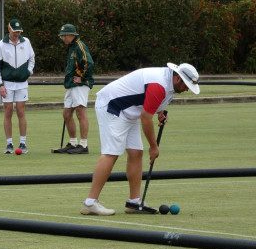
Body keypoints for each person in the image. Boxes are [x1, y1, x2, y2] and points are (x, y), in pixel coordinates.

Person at [80, 62, 200, 215]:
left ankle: (134, 202)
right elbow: (145, 118)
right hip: (113, 106)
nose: (187, 89)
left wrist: (160, 111)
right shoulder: (159, 84)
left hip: (129, 111)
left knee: (136, 152)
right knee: (112, 153)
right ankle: (90, 203)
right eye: (187, 85)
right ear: (177, 78)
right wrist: (154, 146)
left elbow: (151, 103)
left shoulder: (171, 84)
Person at [0, 18, 35, 154]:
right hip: (7, 83)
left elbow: (32, 58)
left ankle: (23, 143)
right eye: (15, 31)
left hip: (22, 83)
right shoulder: (1, 45)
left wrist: (28, 71)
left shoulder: (26, 42)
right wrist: (0, 84)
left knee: (21, 111)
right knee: (8, 111)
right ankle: (9, 144)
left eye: (19, 31)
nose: (17, 34)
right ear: (9, 29)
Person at [57, 24, 94, 154]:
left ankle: (83, 145)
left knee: (80, 112)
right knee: (67, 114)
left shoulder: (79, 46)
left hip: (80, 85)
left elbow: (89, 63)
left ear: (72, 35)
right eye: (62, 36)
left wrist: (82, 78)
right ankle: (73, 143)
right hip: (71, 85)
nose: (63, 38)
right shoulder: (72, 47)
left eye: (65, 36)